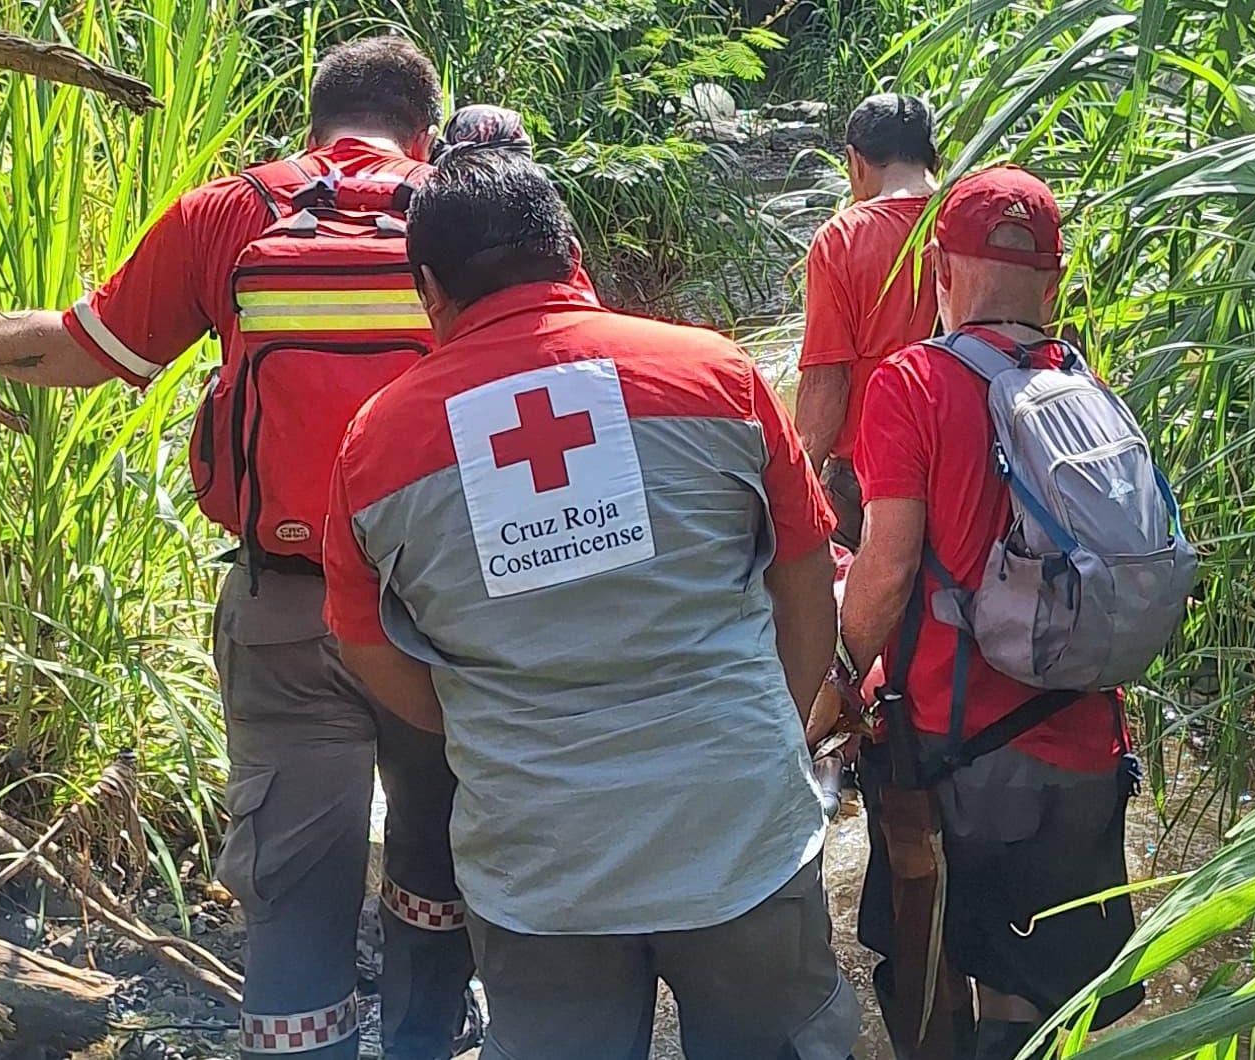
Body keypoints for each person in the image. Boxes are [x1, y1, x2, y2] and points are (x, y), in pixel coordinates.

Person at [0, 37, 480, 1060]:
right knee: (438, 849)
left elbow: (72, 348)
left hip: (289, 606)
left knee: (290, 883)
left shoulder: (232, 213)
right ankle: (429, 1037)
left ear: (311, 130)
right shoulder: (472, 210)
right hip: (444, 610)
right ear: (424, 131)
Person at [321, 148, 859, 1060]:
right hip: (737, 830)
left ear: (428, 290)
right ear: (571, 251)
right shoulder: (716, 375)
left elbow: (369, 651)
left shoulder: (378, 444)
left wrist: (480, 728)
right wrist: (781, 721)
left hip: (538, 865)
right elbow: (806, 572)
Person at [839, 166, 1143, 1060]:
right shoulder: (1084, 382)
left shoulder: (912, 383)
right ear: (1054, 283)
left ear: (942, 269)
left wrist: (838, 680)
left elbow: (888, 570)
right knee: (1037, 1000)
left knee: (925, 977)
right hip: (1088, 744)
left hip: (959, 752)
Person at [796, 93, 942, 550]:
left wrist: (799, 479)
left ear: (855, 162)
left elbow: (827, 383)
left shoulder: (841, 238)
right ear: (933, 155)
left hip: (868, 477)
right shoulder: (963, 220)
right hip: (964, 463)